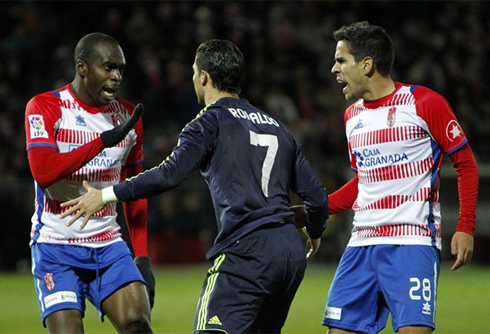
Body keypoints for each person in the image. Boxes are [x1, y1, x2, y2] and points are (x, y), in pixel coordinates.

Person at [60, 39, 329, 333]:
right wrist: (314, 232)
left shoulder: (208, 121)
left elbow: (168, 174)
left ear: (203, 77)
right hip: (289, 254)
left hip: (246, 251)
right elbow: (316, 197)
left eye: (193, 72)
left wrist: (107, 194)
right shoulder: (277, 127)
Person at [322, 21, 479, 334]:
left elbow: (466, 164)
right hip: (360, 244)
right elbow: (365, 183)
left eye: (341, 61)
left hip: (411, 242)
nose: (333, 69)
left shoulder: (424, 103)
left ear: (367, 64)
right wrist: (318, 207)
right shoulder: (352, 117)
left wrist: (465, 227)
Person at [25, 32, 154, 333]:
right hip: (56, 247)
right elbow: (43, 172)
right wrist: (103, 141)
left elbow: (134, 190)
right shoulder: (45, 107)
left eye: (120, 69)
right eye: (108, 68)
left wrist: (143, 255)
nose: (116, 76)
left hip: (108, 244)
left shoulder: (128, 117)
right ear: (82, 67)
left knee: (138, 324)